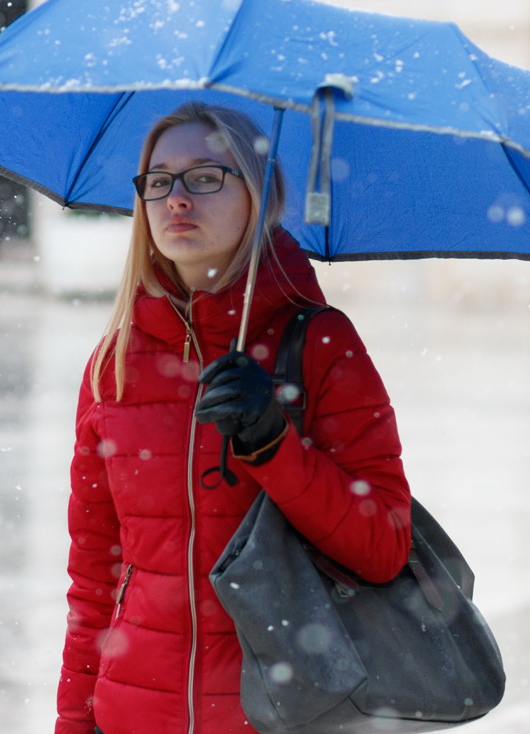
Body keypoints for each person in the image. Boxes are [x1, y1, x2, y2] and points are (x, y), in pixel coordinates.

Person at [55, 102, 414, 734]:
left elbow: (382, 548)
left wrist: (273, 442)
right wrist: (74, 723)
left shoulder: (320, 344)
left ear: (262, 196)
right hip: (134, 717)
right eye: (158, 181)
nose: (176, 199)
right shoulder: (115, 362)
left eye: (205, 176)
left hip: (278, 715)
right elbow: (94, 579)